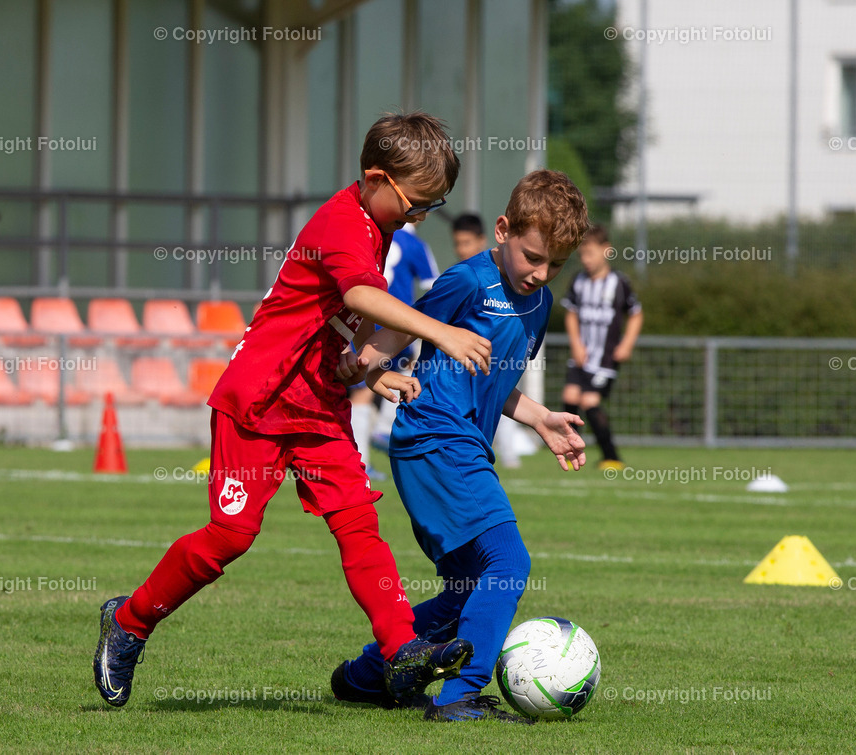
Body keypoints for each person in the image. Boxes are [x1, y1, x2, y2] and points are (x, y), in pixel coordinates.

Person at [93, 112, 491, 709]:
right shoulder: (341, 221)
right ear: (375, 177)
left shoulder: (376, 224)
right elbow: (359, 295)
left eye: (432, 207)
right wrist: (441, 332)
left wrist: (370, 368)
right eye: (415, 204)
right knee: (230, 537)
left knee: (358, 524)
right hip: (260, 398)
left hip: (318, 404)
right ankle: (128, 622)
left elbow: (330, 313)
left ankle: (402, 646)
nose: (419, 218)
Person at [331, 169, 589, 723]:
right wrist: (366, 361)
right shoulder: (469, 281)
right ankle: (459, 696)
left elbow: (493, 379)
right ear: (503, 231)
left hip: (459, 445)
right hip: (434, 439)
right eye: (533, 257)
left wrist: (539, 417)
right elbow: (409, 328)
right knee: (508, 563)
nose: (541, 274)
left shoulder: (539, 304)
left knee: (466, 592)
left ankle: (366, 676)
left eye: (556, 266)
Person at [449, 212, 529, 468]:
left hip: (493, 362)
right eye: (458, 243)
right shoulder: (458, 276)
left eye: (467, 242)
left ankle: (508, 454)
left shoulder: (506, 280)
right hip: (460, 367)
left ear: (483, 239)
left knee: (498, 399)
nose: (462, 249)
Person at [560, 224, 643, 471]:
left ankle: (611, 457)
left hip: (605, 359)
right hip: (582, 356)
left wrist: (627, 343)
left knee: (589, 400)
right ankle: (571, 450)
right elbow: (571, 313)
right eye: (582, 254)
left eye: (591, 253)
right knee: (569, 397)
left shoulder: (619, 283)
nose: (585, 260)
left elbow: (636, 314)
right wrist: (575, 344)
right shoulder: (579, 281)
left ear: (606, 251)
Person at [359, 224, 440, 457]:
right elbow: (433, 286)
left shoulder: (371, 236)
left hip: (362, 317)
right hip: (396, 323)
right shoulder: (414, 244)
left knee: (360, 389)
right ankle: (383, 430)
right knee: (408, 367)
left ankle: (361, 458)